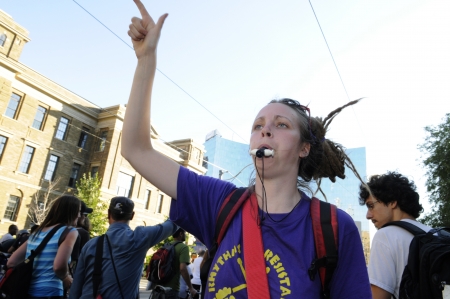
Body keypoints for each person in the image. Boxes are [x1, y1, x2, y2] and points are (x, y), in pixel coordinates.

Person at [121, 1, 371, 298]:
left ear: (304, 148)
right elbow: (136, 149)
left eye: (281, 125)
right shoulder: (219, 202)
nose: (264, 130)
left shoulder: (333, 228)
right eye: (258, 125)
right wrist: (146, 59)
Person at [69, 196, 178, 299]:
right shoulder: (140, 238)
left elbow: (76, 287)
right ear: (132, 215)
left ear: (108, 213)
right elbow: (174, 223)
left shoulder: (90, 245)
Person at [359, 171, 432, 299]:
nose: (368, 215)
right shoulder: (432, 233)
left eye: (371, 206)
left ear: (393, 202)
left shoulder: (385, 236)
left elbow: (378, 297)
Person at [7, 195, 80, 298]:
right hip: (50, 291)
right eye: (79, 211)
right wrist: (66, 278)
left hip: (26, 290)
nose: (79, 215)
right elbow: (59, 266)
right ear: (71, 212)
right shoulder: (70, 232)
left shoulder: (37, 232)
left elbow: (12, 262)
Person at [152, 228, 197, 299]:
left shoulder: (166, 245)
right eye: (184, 233)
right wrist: (191, 288)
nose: (185, 235)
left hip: (159, 288)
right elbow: (183, 269)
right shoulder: (183, 247)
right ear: (181, 234)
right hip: (172, 289)